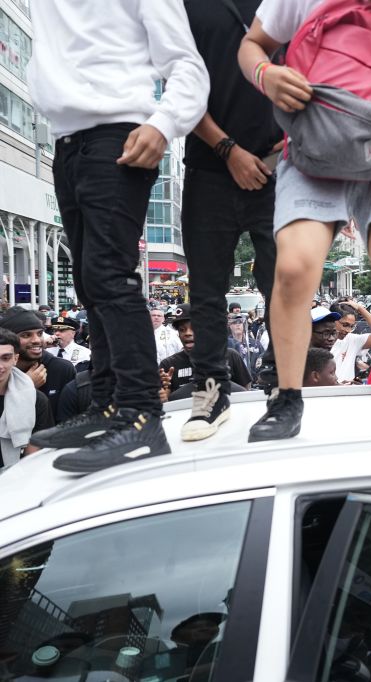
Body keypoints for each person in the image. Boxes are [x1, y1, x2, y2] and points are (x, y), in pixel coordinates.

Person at [239, 0, 371, 438]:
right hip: (315, 140)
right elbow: (252, 44)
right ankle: (286, 398)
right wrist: (266, 75)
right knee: (293, 268)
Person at [27, 0, 209, 471]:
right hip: (67, 143)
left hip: (119, 135)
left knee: (109, 275)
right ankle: (105, 406)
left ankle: (139, 414)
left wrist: (164, 124)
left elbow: (188, 65)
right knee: (89, 283)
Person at [180, 0, 280, 441]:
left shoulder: (294, 4)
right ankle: (211, 392)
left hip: (280, 169)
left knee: (285, 284)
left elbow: (319, 81)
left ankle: (283, 386)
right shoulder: (188, 6)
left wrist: (284, 153)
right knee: (205, 290)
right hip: (208, 168)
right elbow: (180, 85)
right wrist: (228, 151)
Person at [0, 308, 76, 425]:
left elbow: (69, 422)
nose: (36, 340)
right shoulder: (3, 370)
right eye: (26, 335)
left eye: (40, 333)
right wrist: (25, 386)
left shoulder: (62, 369)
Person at [0, 328, 54, 470]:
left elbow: (34, 457)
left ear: (15, 359)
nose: (0, 366)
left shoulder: (35, 399)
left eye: (5, 358)